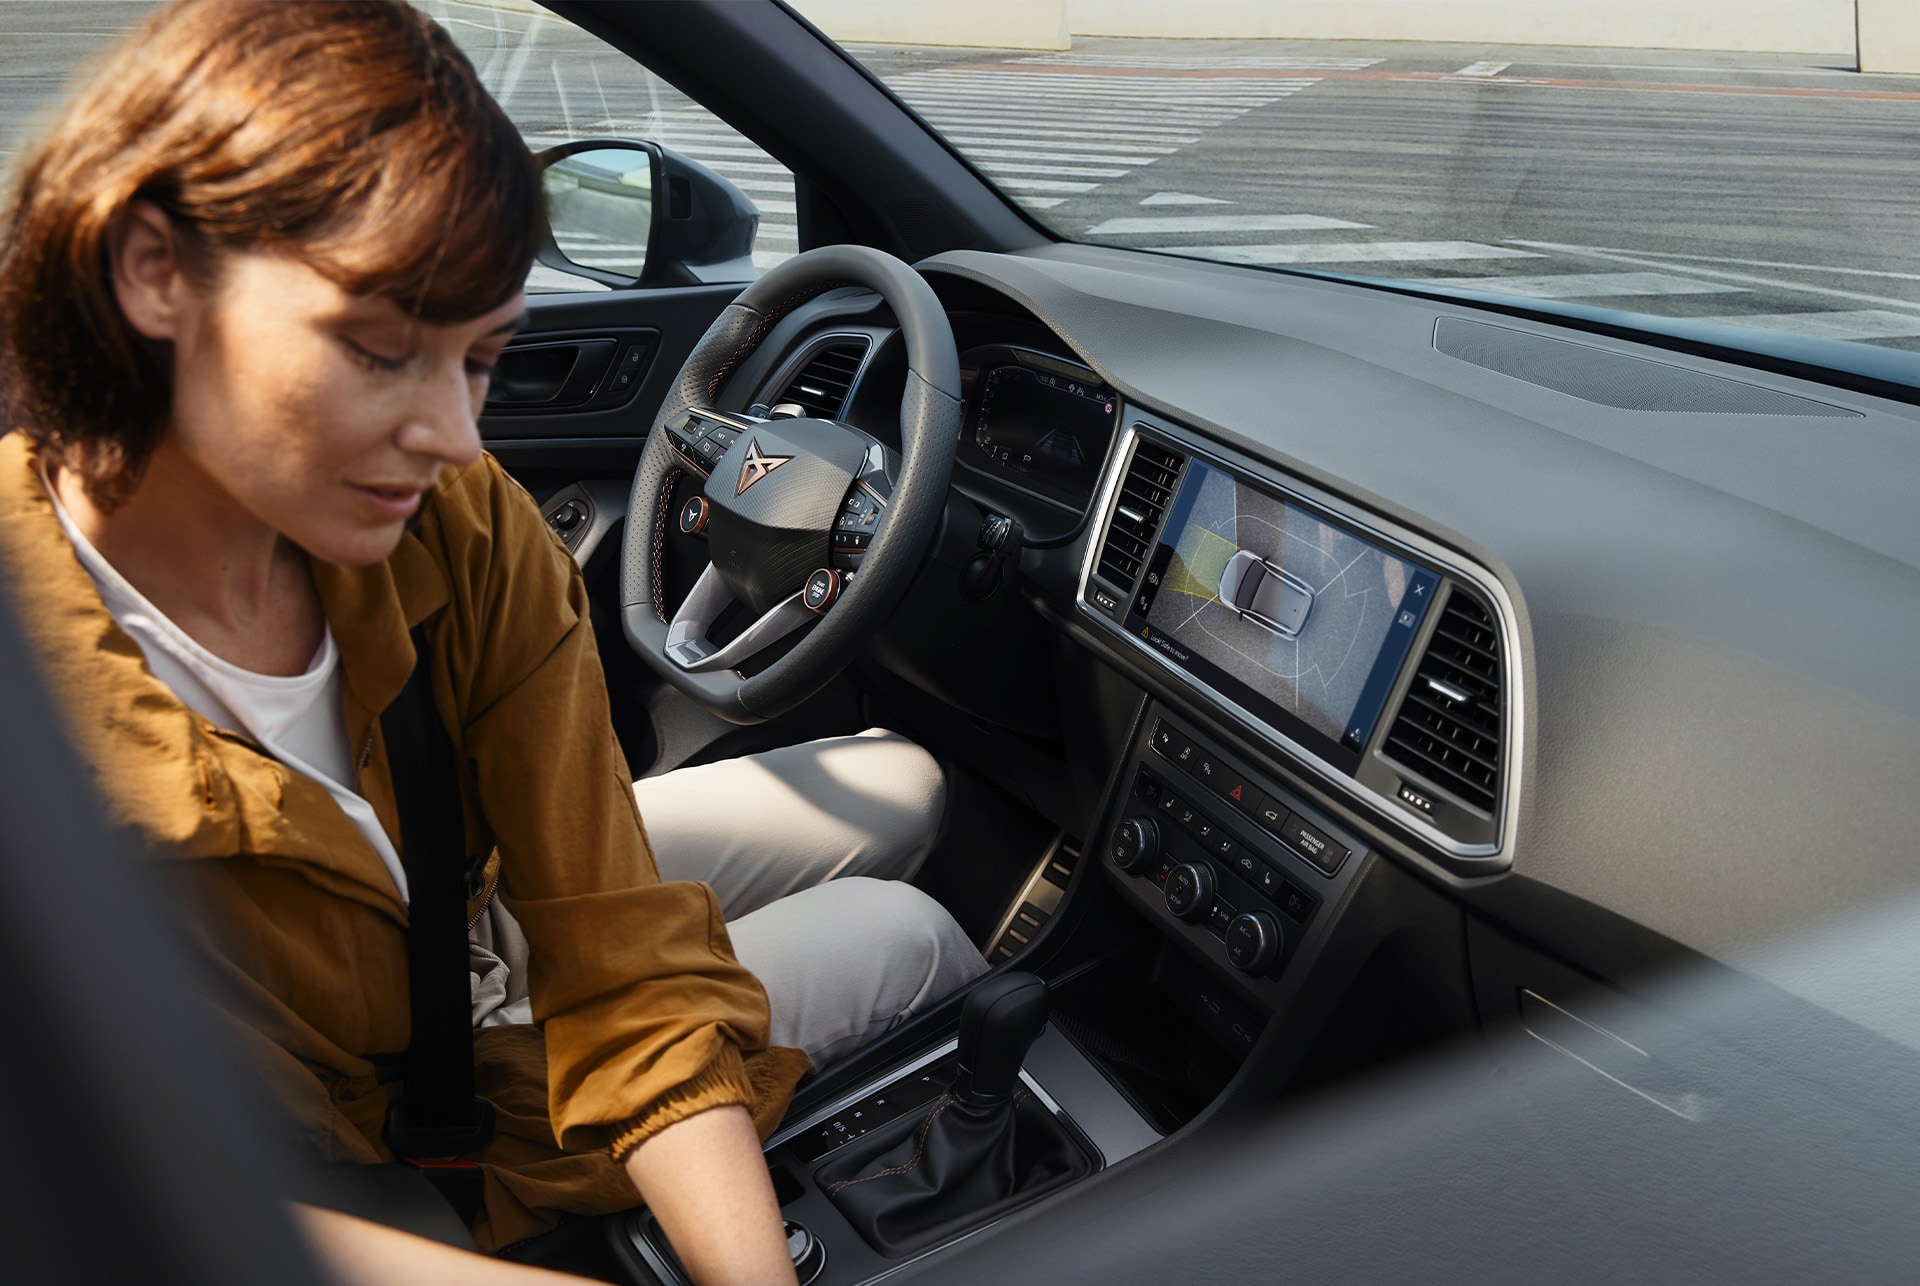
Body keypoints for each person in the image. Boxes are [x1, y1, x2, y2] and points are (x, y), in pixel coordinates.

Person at [0, 2, 985, 1282]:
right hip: (368, 1124)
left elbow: (621, 958)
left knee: (909, 781)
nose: (457, 438)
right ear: (152, 272)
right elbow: (104, 1185)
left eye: (479, 363)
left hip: (452, 920)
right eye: (379, 353)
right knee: (911, 937)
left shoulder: (458, 526)